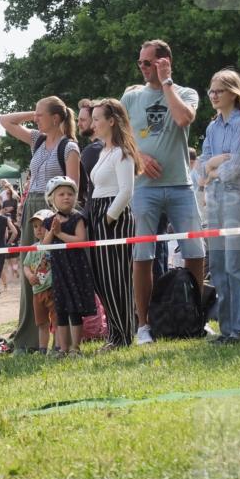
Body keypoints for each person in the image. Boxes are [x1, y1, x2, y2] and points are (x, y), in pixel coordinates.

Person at [120, 39, 203, 345]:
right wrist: (139, 158)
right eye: (140, 62)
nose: (141, 68)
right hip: (144, 188)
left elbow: (183, 119)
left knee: (195, 252)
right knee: (142, 255)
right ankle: (144, 326)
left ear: (163, 62)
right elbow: (118, 139)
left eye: (146, 63)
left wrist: (167, 82)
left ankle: (195, 317)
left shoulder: (185, 93)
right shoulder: (131, 97)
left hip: (181, 185)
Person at [0, 96, 81, 351]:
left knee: (52, 273)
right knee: (30, 270)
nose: (35, 119)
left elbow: (72, 187)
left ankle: (60, 339)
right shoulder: (38, 140)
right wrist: (34, 113)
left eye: (40, 115)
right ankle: (29, 337)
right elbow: (4, 121)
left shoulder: (69, 147)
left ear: (55, 118)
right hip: (31, 210)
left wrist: (59, 218)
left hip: (52, 210)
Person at [199, 69, 240, 343]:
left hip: (237, 199)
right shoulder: (212, 127)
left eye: (219, 91)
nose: (213, 95)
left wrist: (214, 169)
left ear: (233, 94)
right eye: (211, 91)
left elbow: (235, 168)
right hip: (214, 200)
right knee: (221, 266)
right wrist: (213, 167)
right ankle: (227, 329)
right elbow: (203, 163)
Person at [88, 98, 142, 349]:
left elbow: (126, 191)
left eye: (98, 118)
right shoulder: (104, 151)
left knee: (115, 279)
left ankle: (123, 335)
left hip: (113, 217)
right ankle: (116, 333)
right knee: (102, 280)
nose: (94, 123)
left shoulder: (122, 152)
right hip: (99, 212)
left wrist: (108, 218)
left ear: (112, 121)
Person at [42, 177, 97, 357]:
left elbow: (81, 241)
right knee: (61, 310)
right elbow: (45, 244)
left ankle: (75, 347)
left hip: (76, 268)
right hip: (59, 270)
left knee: (74, 309)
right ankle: (63, 348)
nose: (66, 197)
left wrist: (61, 234)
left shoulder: (78, 218)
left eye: (70, 194)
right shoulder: (49, 221)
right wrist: (52, 232)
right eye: (61, 194)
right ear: (52, 198)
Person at [21, 210, 58, 354]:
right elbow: (25, 265)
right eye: (35, 227)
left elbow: (48, 243)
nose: (38, 229)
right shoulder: (33, 248)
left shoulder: (54, 245)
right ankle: (43, 349)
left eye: (42, 225)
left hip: (52, 289)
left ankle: (57, 347)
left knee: (56, 321)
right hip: (37, 291)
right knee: (42, 322)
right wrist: (30, 276)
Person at [77, 99, 103, 212]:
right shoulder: (108, 147)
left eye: (82, 120)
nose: (78, 124)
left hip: (96, 211)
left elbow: (81, 186)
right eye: (78, 120)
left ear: (94, 121)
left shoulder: (92, 150)